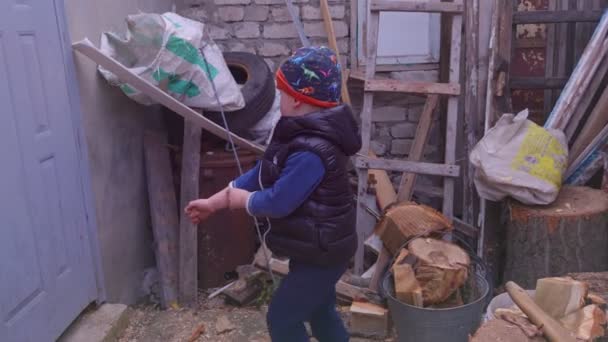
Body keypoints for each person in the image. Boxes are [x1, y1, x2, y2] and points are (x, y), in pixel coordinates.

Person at [185, 46, 361, 342]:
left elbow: (279, 201)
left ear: (296, 99)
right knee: (321, 312)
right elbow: (262, 174)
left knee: (282, 318)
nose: (278, 99)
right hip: (315, 248)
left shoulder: (312, 150)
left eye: (281, 93)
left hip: (323, 252)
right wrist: (214, 203)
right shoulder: (295, 131)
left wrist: (247, 202)